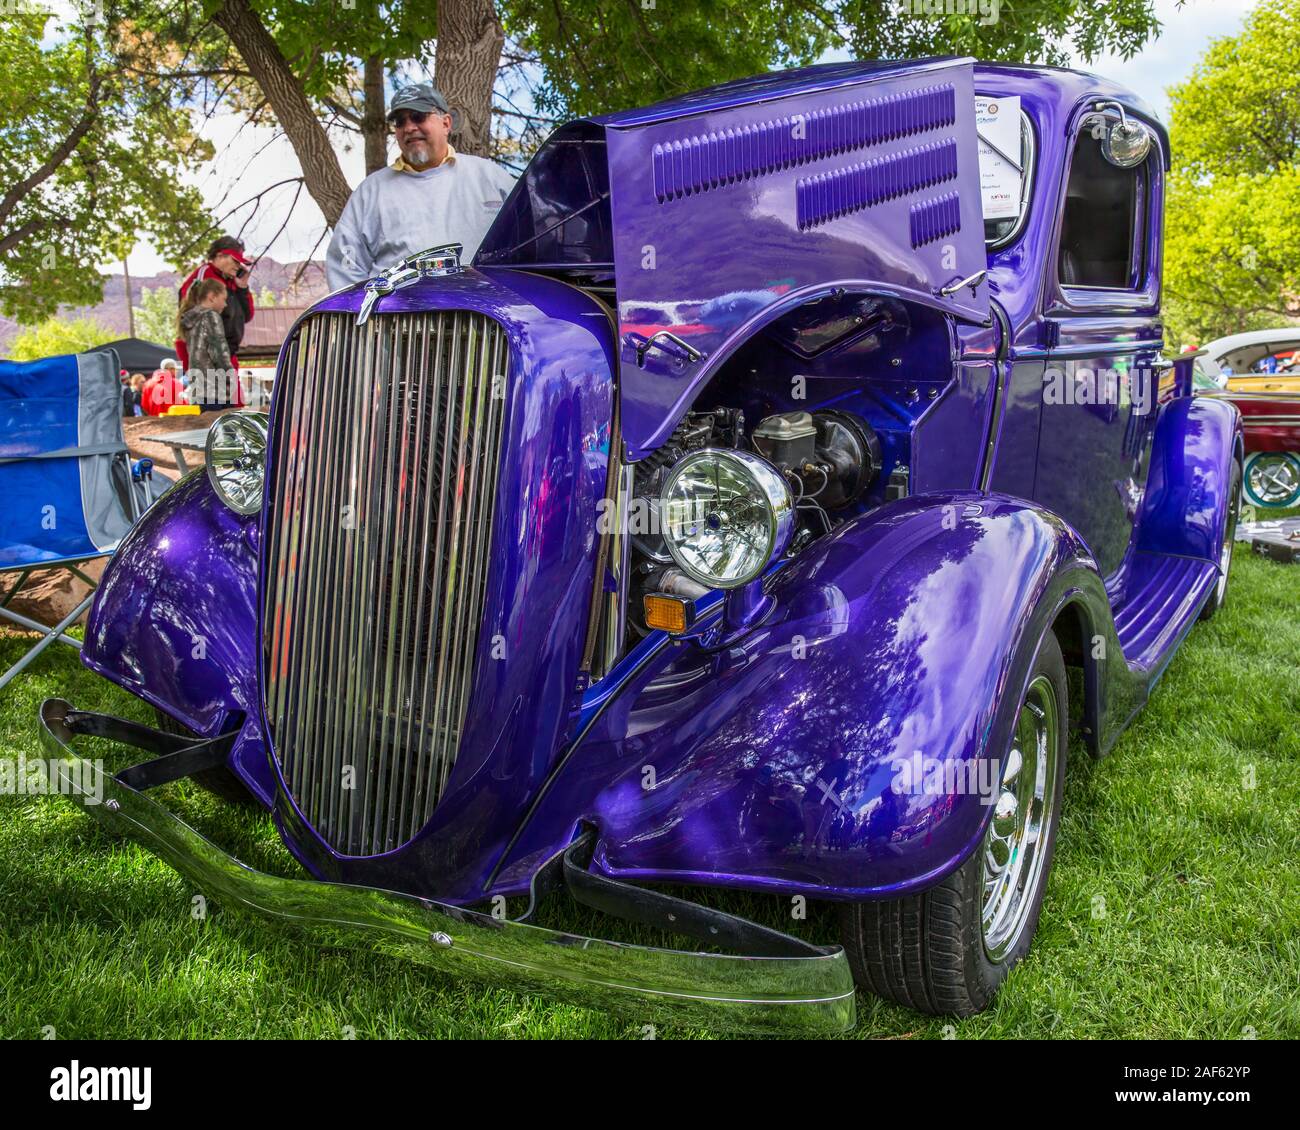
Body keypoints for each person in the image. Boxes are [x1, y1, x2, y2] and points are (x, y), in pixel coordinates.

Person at [325, 81, 517, 290]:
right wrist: (363, 317)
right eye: (400, 122)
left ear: (446, 123)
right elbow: (344, 269)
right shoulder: (371, 191)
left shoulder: (491, 178)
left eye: (418, 116)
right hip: (397, 320)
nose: (408, 127)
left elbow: (530, 244)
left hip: (482, 316)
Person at [177, 236, 255, 382]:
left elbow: (248, 316)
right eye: (235, 260)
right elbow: (189, 318)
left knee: (233, 403)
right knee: (215, 402)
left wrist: (242, 288)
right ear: (220, 256)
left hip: (227, 356)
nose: (238, 266)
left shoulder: (232, 282)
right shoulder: (204, 276)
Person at [179, 279, 238, 412]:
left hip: (197, 389)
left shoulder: (190, 320)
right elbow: (219, 353)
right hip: (215, 389)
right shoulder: (211, 316)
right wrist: (230, 380)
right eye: (223, 299)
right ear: (212, 297)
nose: (225, 304)